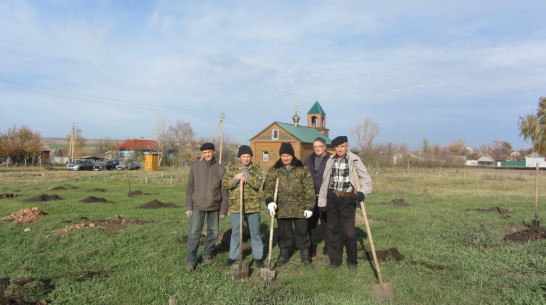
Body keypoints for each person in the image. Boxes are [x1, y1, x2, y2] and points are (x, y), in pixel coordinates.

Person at [318, 136, 372, 270]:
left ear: (347, 146)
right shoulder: (331, 159)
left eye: (342, 146)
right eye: (337, 147)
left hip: (348, 199)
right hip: (332, 197)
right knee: (332, 230)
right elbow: (325, 181)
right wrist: (323, 200)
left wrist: (362, 193)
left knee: (349, 232)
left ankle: (352, 261)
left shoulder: (354, 160)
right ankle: (335, 260)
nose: (339, 149)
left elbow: (366, 180)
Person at [264, 142, 315, 267]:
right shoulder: (275, 169)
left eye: (288, 155)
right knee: (284, 232)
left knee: (302, 231)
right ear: (280, 156)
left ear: (292, 155)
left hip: (300, 206)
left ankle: (305, 256)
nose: (285, 158)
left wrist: (309, 207)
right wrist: (270, 201)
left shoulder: (302, 168)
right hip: (282, 207)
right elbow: (268, 187)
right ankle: (284, 255)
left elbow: (309, 188)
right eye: (283, 155)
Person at [185, 142, 228, 273]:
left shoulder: (221, 169)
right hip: (197, 206)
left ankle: (207, 254)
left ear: (214, 152)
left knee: (213, 233)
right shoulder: (195, 167)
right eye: (204, 153)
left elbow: (224, 191)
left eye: (209, 152)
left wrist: (223, 210)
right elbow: (189, 187)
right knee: (194, 233)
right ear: (202, 154)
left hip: (214, 206)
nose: (207, 154)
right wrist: (188, 206)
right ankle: (191, 261)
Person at [221, 145, 265, 268]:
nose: (246, 159)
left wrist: (247, 176)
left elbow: (257, 184)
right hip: (236, 206)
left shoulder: (256, 169)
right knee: (236, 232)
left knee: (255, 233)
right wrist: (235, 179)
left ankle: (258, 257)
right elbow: (225, 184)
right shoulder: (232, 169)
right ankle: (233, 256)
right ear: (239, 157)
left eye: (248, 156)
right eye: (243, 156)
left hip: (253, 206)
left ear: (251, 157)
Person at [303, 137, 332, 257]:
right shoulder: (308, 160)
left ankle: (329, 247)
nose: (317, 149)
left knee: (327, 223)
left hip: (326, 197)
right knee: (310, 224)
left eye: (320, 146)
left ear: (324, 147)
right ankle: (310, 248)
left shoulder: (331, 159)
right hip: (311, 197)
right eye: (315, 147)